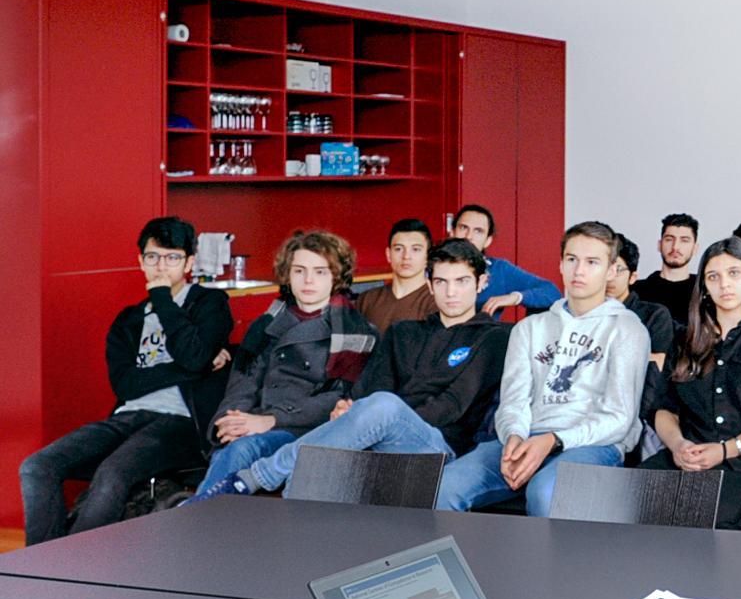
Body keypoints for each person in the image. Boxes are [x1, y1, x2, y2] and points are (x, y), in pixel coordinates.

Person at [191, 239, 510, 499]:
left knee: (384, 407)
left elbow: (452, 405)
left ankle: (263, 474)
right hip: (377, 432)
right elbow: (368, 389)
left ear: (481, 283)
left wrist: (376, 415)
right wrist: (352, 411)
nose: (451, 292)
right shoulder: (403, 332)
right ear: (428, 283)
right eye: (441, 281)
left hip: (438, 444)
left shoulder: (495, 337)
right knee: (314, 472)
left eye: (462, 282)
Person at [20, 217, 233, 544]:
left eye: (172, 257)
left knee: (113, 473)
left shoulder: (210, 303)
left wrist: (162, 299)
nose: (161, 266)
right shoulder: (128, 321)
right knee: (37, 466)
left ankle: (68, 568)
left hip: (181, 423)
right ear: (140, 261)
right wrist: (199, 366)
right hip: (128, 416)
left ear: (189, 262)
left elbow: (192, 355)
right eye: (153, 257)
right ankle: (40, 565)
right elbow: (126, 385)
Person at [437, 222, 649, 517]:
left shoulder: (627, 329)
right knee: (444, 488)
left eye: (592, 262)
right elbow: (513, 402)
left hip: (592, 444)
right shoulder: (530, 328)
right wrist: (513, 438)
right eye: (572, 260)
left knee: (546, 493)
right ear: (561, 264)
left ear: (612, 270)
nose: (580, 271)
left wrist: (552, 441)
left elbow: (619, 419)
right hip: (527, 437)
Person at [194, 231, 377, 495]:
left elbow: (340, 398)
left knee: (243, 449)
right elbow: (241, 383)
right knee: (234, 447)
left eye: (320, 272)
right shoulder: (264, 325)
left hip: (309, 431)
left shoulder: (358, 331)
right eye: (299, 270)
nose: (308, 280)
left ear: (336, 276)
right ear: (287, 274)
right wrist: (231, 420)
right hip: (255, 424)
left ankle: (195, 520)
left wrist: (271, 420)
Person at [642, 237, 741, 529]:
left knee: (703, 516)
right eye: (713, 277)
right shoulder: (683, 340)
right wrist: (677, 445)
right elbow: (664, 409)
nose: (724, 284)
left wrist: (725, 450)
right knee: (630, 502)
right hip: (688, 456)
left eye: (734, 273)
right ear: (704, 286)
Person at [450, 204, 561, 317]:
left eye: (478, 231)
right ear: (452, 233)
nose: (469, 236)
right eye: (463, 228)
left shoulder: (499, 269)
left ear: (488, 240)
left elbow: (552, 292)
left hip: (484, 333)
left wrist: (515, 297)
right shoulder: (436, 266)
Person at [355, 218, 437, 333]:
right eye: (398, 249)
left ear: (427, 255)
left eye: (416, 249)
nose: (406, 256)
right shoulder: (367, 300)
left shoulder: (436, 303)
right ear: (388, 254)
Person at [608, 232, 675, 371]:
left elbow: (658, 366)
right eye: (605, 268)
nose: (610, 277)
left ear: (633, 277)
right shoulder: (581, 314)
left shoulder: (654, 315)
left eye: (618, 270)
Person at [631, 213, 699, 326]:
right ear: (660, 245)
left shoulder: (704, 292)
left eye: (684, 240)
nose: (675, 247)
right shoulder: (636, 291)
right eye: (669, 239)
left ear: (695, 248)